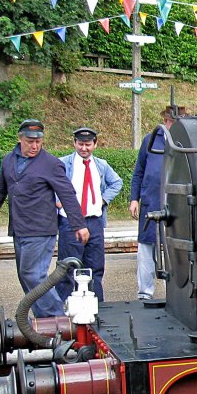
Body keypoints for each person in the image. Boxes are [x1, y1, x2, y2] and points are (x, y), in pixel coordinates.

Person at [0, 119, 89, 318]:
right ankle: (44, 324)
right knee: (26, 277)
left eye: (38, 141)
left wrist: (78, 224)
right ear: (20, 139)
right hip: (19, 229)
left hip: (41, 229)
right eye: (30, 141)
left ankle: (57, 320)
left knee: (33, 275)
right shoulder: (9, 160)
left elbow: (67, 194)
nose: (35, 145)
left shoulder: (51, 164)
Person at [55, 127, 124, 302]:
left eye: (87, 145)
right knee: (68, 267)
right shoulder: (63, 164)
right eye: (80, 144)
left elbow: (117, 182)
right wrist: (57, 199)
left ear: (95, 144)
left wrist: (103, 200)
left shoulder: (101, 165)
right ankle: (65, 307)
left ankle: (97, 306)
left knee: (95, 266)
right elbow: (49, 184)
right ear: (74, 143)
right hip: (70, 222)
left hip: (95, 222)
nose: (83, 148)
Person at [130, 105, 185, 300]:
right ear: (165, 121)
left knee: (177, 250)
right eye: (170, 121)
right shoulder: (150, 140)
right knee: (146, 250)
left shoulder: (184, 142)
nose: (172, 124)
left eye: (176, 121)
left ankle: (177, 294)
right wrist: (134, 199)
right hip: (151, 202)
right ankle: (145, 293)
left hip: (177, 206)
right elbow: (139, 172)